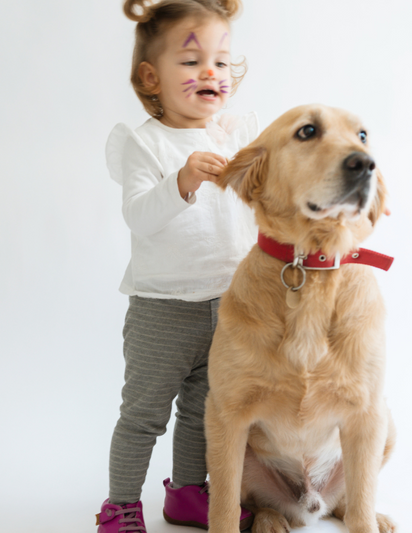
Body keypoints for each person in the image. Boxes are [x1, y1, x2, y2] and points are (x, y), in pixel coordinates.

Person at [96, 1, 257, 531]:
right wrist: (182, 181)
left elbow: (258, 205)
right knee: (144, 415)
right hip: (163, 308)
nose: (211, 71)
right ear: (151, 77)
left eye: (221, 60)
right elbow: (139, 217)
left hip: (230, 305)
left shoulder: (231, 136)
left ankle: (188, 492)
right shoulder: (148, 143)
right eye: (191, 62)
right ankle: (121, 503)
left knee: (204, 411)